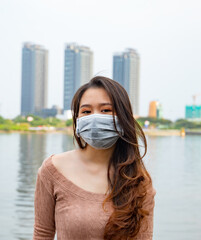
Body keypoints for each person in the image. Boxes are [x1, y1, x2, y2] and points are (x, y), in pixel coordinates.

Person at [33, 76, 156, 240]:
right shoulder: (53, 169)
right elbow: (42, 234)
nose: (95, 118)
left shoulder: (138, 180)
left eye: (106, 110)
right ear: (77, 120)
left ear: (123, 118)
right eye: (86, 111)